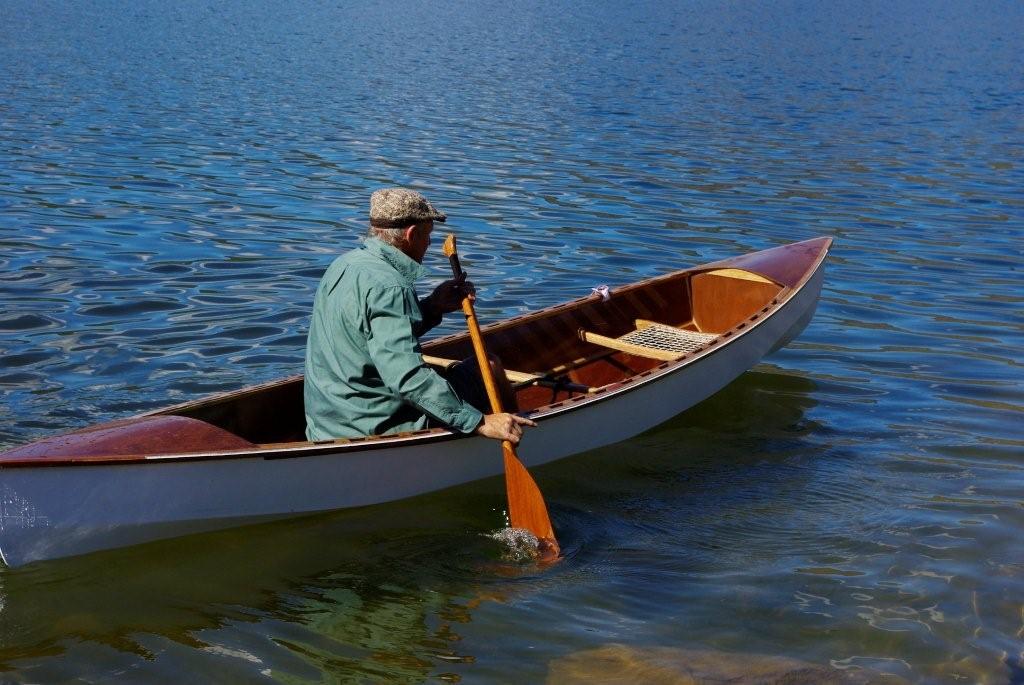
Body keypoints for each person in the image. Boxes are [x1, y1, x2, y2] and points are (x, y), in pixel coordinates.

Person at [304, 187, 536, 445]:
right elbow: (406, 377)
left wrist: (433, 306)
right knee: (488, 367)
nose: (429, 245)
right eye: (428, 236)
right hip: (376, 423)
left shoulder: (343, 265)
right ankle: (517, 435)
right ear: (411, 234)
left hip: (329, 422)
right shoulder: (391, 285)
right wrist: (479, 421)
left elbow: (368, 337)